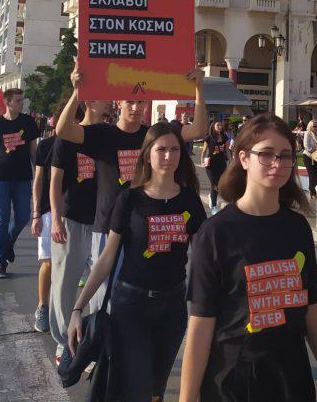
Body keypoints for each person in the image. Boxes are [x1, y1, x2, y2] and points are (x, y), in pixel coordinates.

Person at [180, 114, 317, 402]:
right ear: (244, 158)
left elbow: (313, 311)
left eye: (285, 155)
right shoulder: (216, 232)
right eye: (267, 155)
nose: (277, 164)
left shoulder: (297, 228)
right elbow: (200, 324)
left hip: (292, 381)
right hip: (233, 383)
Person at [67, 122, 207, 401]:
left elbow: (203, 257)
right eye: (161, 149)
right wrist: (77, 308)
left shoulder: (190, 201)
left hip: (172, 306)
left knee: (156, 387)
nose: (168, 156)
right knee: (135, 385)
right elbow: (107, 258)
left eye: (175, 149)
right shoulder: (129, 199)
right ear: (147, 154)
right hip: (131, 305)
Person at [55, 62, 207, 310]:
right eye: (130, 102)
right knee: (103, 301)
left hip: (144, 228)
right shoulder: (102, 134)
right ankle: (97, 344)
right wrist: (77, 93)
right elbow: (63, 130)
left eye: (141, 103)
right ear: (119, 104)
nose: (136, 108)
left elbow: (199, 129)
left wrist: (199, 89)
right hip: (107, 227)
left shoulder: (152, 136)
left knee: (135, 299)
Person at [49, 100, 105, 363]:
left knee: (100, 286)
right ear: (89, 102)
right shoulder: (67, 138)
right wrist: (56, 220)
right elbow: (55, 182)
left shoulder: (108, 136)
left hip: (100, 223)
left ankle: (90, 339)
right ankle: (63, 342)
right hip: (71, 220)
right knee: (65, 284)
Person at [0, 89, 40, 279]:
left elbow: (34, 152)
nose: (22, 103)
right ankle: (1, 261)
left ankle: (8, 242)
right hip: (0, 178)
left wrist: (39, 174)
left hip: (22, 177)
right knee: (2, 218)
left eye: (22, 100)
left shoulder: (28, 122)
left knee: (22, 216)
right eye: (18, 100)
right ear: (8, 102)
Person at [31, 125, 58, 334]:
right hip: (49, 211)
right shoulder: (47, 146)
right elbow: (39, 179)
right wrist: (36, 213)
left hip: (79, 214)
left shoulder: (86, 144)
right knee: (48, 263)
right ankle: (42, 305)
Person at [202, 119, 230, 214]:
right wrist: (202, 161)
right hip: (211, 165)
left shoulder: (224, 137)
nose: (219, 127)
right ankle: (214, 206)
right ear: (213, 126)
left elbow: (227, 151)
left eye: (220, 125)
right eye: (217, 125)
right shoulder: (209, 138)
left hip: (222, 163)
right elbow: (204, 151)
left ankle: (212, 197)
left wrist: (230, 161)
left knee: (220, 184)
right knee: (214, 185)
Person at [302, 119, 317, 200]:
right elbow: (306, 145)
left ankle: (311, 188)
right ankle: (313, 193)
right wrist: (315, 149)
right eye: (314, 126)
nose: (316, 127)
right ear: (310, 126)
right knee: (312, 175)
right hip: (308, 156)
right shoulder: (307, 133)